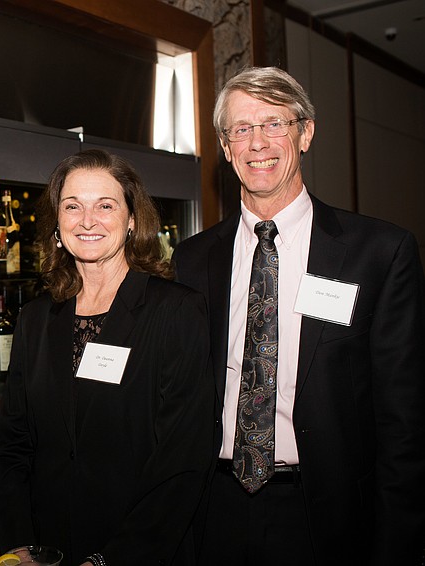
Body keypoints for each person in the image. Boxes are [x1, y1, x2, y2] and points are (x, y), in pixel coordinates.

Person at [173, 66, 425, 565]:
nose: (258, 143)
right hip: (212, 510)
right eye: (241, 128)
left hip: (327, 516)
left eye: (274, 123)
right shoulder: (192, 259)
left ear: (305, 133)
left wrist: (399, 543)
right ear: (225, 147)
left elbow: (404, 418)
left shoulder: (378, 252)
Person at [0, 149, 214, 566]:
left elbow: (183, 457)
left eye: (105, 206)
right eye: (72, 206)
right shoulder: (35, 318)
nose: (87, 220)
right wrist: (19, 545)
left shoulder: (176, 310)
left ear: (132, 220)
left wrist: (110, 560)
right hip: (48, 551)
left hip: (139, 549)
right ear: (57, 223)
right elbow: (14, 444)